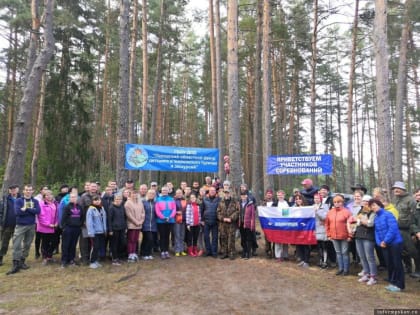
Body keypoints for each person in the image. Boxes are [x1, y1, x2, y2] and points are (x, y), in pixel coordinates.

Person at [369, 198, 405, 292]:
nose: (373, 207)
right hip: (384, 245)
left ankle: (399, 285)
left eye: (375, 205)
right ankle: (392, 282)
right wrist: (379, 242)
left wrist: (385, 241)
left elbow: (393, 229)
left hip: (395, 243)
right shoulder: (376, 218)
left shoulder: (388, 214)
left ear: (380, 205)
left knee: (397, 264)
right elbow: (376, 231)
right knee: (389, 264)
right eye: (371, 206)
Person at [7, 184, 41, 275]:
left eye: (30, 190)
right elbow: (17, 212)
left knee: (27, 244)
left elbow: (38, 211)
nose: (28, 191)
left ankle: (22, 261)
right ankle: (16, 263)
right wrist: (30, 210)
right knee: (17, 244)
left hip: (31, 225)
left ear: (32, 191)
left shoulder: (35, 201)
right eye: (26, 190)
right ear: (23, 191)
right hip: (20, 225)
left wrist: (26, 209)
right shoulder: (18, 201)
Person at [391, 181, 417, 277]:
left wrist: (414, 232)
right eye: (395, 188)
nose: (396, 190)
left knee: (412, 250)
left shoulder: (410, 200)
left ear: (403, 189)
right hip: (397, 229)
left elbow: (414, 216)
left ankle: (418, 270)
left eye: (398, 188)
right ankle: (408, 267)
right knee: (402, 250)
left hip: (408, 229)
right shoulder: (395, 200)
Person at [325, 194, 352, 276]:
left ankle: (346, 269)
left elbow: (351, 225)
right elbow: (327, 224)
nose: (336, 203)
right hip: (334, 236)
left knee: (344, 253)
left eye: (338, 202)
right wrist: (329, 235)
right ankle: (340, 268)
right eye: (335, 202)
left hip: (344, 236)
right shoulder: (330, 212)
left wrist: (350, 236)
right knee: (338, 252)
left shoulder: (347, 212)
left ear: (342, 202)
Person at [352, 199, 377, 285]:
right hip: (358, 235)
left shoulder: (373, 212)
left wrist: (360, 220)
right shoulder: (361, 210)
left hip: (368, 237)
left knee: (369, 257)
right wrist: (361, 221)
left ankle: (373, 276)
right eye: (363, 201)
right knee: (362, 256)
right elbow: (356, 221)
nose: (365, 203)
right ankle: (366, 273)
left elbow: (370, 224)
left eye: (367, 201)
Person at [60, 192, 83, 267]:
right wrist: (64, 228)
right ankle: (64, 261)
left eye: (75, 197)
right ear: (69, 198)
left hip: (76, 228)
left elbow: (82, 217)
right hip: (68, 228)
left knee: (73, 245)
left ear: (77, 198)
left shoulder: (80, 207)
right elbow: (63, 218)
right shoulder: (67, 207)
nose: (73, 198)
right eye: (72, 197)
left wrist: (80, 224)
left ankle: (71, 259)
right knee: (66, 245)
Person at [37, 190, 59, 265]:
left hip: (53, 227)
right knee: (45, 243)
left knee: (55, 241)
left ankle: (49, 256)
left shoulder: (54, 204)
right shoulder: (41, 204)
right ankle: (45, 257)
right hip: (45, 227)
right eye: (47, 195)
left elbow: (56, 214)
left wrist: (56, 222)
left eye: (50, 195)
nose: (49, 196)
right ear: (44, 196)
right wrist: (48, 224)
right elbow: (41, 216)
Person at [217, 189, 239, 260]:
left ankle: (231, 253)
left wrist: (231, 218)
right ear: (224, 194)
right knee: (223, 238)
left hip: (231, 224)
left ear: (230, 193)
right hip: (223, 224)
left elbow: (237, 211)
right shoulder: (221, 202)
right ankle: (224, 252)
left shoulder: (235, 202)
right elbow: (218, 212)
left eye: (228, 193)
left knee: (231, 238)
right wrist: (223, 218)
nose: (227, 194)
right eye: (225, 193)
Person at [0, 185, 19, 266]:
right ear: (9, 191)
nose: (13, 191)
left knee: (17, 244)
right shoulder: (5, 199)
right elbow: (1, 212)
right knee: (4, 243)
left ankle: (17, 259)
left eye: (15, 189)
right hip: (7, 225)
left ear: (18, 190)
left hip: (19, 225)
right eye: (11, 190)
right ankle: (0, 258)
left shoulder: (21, 199)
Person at [86, 195, 107, 269]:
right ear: (92, 201)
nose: (97, 201)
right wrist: (91, 232)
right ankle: (92, 262)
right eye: (95, 200)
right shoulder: (91, 209)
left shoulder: (102, 208)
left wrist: (105, 230)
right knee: (95, 247)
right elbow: (89, 222)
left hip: (101, 231)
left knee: (99, 247)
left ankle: (96, 261)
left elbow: (104, 220)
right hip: (94, 232)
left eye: (98, 200)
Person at [155, 186, 176, 259]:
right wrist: (163, 217)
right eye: (163, 190)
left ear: (168, 191)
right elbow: (157, 211)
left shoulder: (171, 199)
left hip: (170, 221)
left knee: (167, 236)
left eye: (166, 190)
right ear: (161, 191)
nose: (164, 192)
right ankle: (162, 251)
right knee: (162, 236)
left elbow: (174, 209)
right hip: (161, 221)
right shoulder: (158, 200)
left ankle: (166, 250)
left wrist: (170, 217)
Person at [124, 190, 145, 263]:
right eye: (133, 194)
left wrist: (141, 221)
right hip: (131, 225)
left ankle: (134, 252)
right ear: (130, 195)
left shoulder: (140, 202)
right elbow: (129, 215)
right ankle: (130, 254)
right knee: (131, 240)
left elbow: (143, 212)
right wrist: (136, 222)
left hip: (139, 225)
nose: (135, 195)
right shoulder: (127, 203)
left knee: (136, 239)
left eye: (136, 194)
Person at [200, 186, 221, 258]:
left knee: (215, 237)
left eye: (213, 190)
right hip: (206, 221)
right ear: (208, 191)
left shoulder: (219, 199)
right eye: (211, 190)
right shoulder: (205, 199)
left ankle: (214, 252)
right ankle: (208, 251)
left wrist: (219, 220)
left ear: (215, 192)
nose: (212, 192)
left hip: (215, 221)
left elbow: (221, 210)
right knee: (206, 237)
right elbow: (201, 210)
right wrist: (202, 220)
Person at [108, 193, 127, 265]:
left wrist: (125, 227)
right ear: (114, 200)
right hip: (114, 229)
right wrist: (110, 230)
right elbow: (109, 219)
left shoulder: (122, 207)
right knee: (114, 244)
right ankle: (114, 259)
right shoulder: (111, 208)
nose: (118, 200)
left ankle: (118, 257)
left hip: (122, 228)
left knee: (122, 243)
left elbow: (124, 218)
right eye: (117, 199)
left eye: (120, 199)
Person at [272, 190, 290, 262]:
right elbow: (271, 213)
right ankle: (278, 256)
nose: (280, 196)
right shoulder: (275, 203)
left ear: (284, 195)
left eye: (281, 195)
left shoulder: (287, 203)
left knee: (286, 240)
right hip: (277, 224)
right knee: (277, 240)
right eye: (278, 195)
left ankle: (285, 255)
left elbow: (290, 213)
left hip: (286, 224)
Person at [293, 193, 310, 268]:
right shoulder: (293, 209)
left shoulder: (307, 208)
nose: (298, 200)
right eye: (297, 199)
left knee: (306, 245)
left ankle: (306, 261)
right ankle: (302, 260)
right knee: (299, 245)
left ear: (302, 200)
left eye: (299, 199)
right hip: (297, 230)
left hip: (305, 230)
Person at [238, 191, 256, 260]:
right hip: (241, 223)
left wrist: (252, 225)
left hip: (248, 224)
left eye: (244, 195)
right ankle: (244, 251)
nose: (243, 197)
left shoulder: (250, 204)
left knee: (248, 239)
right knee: (243, 239)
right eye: (242, 196)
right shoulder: (239, 204)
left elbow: (253, 216)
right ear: (240, 197)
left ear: (247, 196)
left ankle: (248, 253)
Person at [314, 193, 329, 269]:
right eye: (315, 198)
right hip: (316, 229)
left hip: (323, 229)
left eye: (317, 198)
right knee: (319, 246)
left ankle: (325, 262)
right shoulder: (312, 206)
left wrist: (317, 211)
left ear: (320, 199)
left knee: (324, 246)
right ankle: (320, 260)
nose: (316, 199)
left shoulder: (325, 206)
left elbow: (325, 217)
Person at [141, 189, 157, 260]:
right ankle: (144, 253)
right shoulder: (143, 202)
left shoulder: (155, 203)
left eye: (153, 194)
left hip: (153, 224)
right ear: (147, 194)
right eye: (150, 193)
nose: (151, 195)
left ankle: (149, 253)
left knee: (151, 239)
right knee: (147, 239)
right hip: (145, 224)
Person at [262, 189, 276, 258]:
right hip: (266, 223)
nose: (269, 195)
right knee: (267, 237)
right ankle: (268, 251)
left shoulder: (275, 203)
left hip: (274, 222)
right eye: (268, 194)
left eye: (270, 194)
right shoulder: (263, 203)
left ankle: (275, 251)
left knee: (274, 237)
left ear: (272, 195)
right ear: (266, 195)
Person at [174, 189, 187, 256]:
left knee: (182, 235)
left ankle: (182, 250)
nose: (179, 194)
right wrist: (176, 212)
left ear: (182, 193)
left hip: (183, 220)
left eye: (180, 193)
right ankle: (177, 250)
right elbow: (172, 210)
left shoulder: (184, 200)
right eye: (178, 193)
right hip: (177, 220)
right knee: (177, 235)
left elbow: (186, 210)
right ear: (176, 194)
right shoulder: (174, 201)